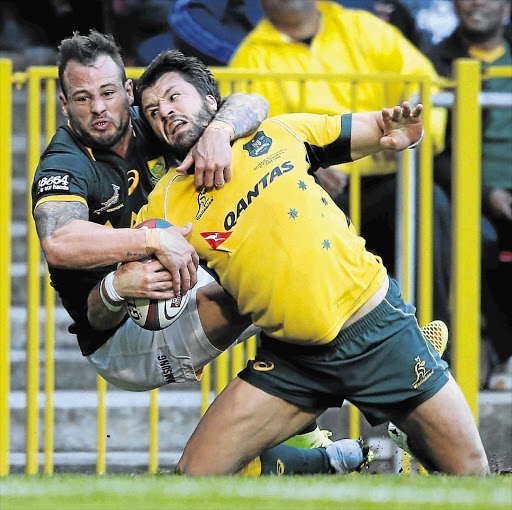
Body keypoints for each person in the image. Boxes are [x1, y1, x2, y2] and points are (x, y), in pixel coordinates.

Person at [134, 49, 489, 476]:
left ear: (211, 101)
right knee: (192, 478)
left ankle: (408, 425)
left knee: (471, 473)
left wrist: (396, 132)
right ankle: (336, 449)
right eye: (153, 110)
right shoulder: (166, 203)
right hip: (295, 361)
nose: (165, 112)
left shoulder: (278, 132)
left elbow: (377, 128)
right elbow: (143, 270)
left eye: (174, 97)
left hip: (378, 331)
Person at [31, 29, 363, 473]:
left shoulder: (153, 116)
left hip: (182, 290)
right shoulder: (66, 161)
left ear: (126, 91)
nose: (98, 108)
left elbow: (253, 103)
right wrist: (147, 245)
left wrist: (220, 131)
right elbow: (59, 242)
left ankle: (297, 453)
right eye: (82, 97)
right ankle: (381, 366)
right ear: (63, 103)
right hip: (118, 334)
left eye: (108, 93)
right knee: (250, 284)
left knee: (275, 253)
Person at [228, 0, 453, 330]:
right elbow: (251, 142)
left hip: (381, 184)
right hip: (305, 195)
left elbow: (424, 88)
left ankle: (432, 345)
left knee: (429, 203)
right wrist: (305, 164)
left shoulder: (363, 28)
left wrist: (409, 133)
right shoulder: (249, 57)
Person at [428, 0, 512, 389]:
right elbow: (435, 152)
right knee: (480, 240)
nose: (476, 3)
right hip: (470, 191)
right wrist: (486, 192)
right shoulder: (433, 61)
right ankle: (501, 357)